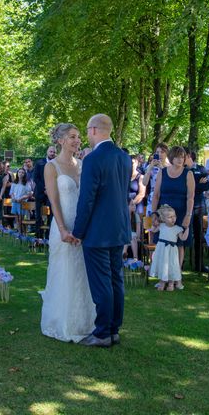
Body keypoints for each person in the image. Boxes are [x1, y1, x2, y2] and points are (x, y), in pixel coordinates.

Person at [72, 114, 131, 348]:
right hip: (119, 227)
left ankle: (103, 332)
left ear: (95, 130)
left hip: (97, 230)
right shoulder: (124, 157)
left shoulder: (94, 159)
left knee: (102, 283)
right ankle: (114, 329)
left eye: (87, 130)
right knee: (116, 279)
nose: (86, 134)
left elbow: (87, 199)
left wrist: (78, 230)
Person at [40, 123, 95, 343]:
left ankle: (85, 322)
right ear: (61, 140)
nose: (77, 140)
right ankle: (60, 322)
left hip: (83, 227)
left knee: (82, 274)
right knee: (64, 272)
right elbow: (54, 201)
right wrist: (63, 229)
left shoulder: (83, 165)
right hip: (63, 226)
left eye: (78, 137)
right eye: (72, 137)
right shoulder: (51, 167)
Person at [151, 146, 195, 270]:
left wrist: (188, 215)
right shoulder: (162, 172)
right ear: (171, 158)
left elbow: (190, 197)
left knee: (179, 244)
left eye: (182, 157)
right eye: (177, 157)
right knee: (163, 242)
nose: (180, 159)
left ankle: (177, 273)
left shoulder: (188, 173)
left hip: (182, 213)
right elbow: (156, 195)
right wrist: (154, 213)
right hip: (164, 213)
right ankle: (164, 272)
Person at [149, 204, 189, 291]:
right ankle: (162, 282)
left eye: (174, 216)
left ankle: (171, 283)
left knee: (171, 265)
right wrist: (154, 223)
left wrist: (187, 229)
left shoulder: (177, 228)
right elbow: (153, 230)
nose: (173, 218)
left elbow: (183, 238)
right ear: (163, 219)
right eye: (170, 217)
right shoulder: (161, 226)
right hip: (162, 249)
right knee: (162, 264)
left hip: (171, 249)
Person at [185, 150, 209, 273]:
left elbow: (206, 186)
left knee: (199, 236)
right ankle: (181, 264)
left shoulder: (201, 168)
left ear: (189, 156)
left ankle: (199, 265)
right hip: (185, 207)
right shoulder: (183, 170)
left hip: (199, 206)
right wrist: (196, 184)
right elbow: (184, 188)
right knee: (184, 235)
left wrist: (193, 186)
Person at [33, 146, 56, 237]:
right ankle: (38, 236)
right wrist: (45, 188)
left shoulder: (56, 163)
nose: (52, 153)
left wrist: (50, 189)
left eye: (54, 152)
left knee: (51, 215)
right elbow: (36, 178)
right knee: (38, 215)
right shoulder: (39, 163)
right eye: (51, 151)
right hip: (40, 192)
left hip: (52, 193)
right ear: (47, 152)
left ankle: (48, 236)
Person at [126, 155, 146, 260]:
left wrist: (131, 204)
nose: (131, 164)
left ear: (137, 163)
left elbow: (141, 194)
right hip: (124, 208)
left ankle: (136, 256)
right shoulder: (123, 176)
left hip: (136, 207)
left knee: (135, 231)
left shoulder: (140, 177)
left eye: (133, 162)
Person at [142, 142, 168, 217]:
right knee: (151, 224)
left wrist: (161, 168)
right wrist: (150, 168)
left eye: (162, 152)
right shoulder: (150, 167)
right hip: (152, 197)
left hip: (164, 196)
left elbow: (169, 180)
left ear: (166, 153)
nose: (159, 154)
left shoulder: (169, 167)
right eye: (157, 152)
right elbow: (144, 183)